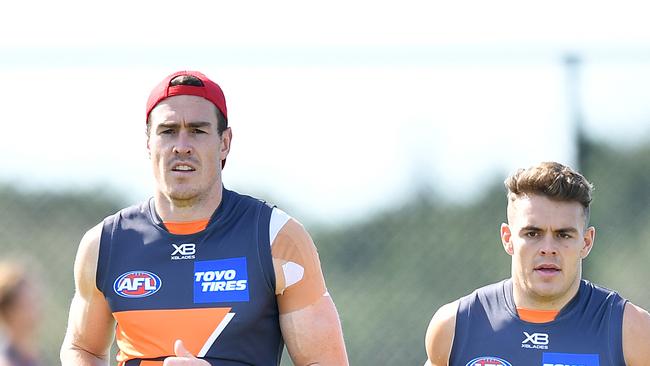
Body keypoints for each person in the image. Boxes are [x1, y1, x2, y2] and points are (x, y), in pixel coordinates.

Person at [60, 70, 349, 366]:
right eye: (168, 131)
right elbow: (82, 348)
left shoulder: (276, 237)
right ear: (149, 143)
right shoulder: (105, 243)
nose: (182, 145)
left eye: (197, 131)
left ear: (224, 143)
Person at [424, 161, 650, 366]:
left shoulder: (633, 332)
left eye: (564, 235)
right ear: (507, 238)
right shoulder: (455, 328)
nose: (548, 248)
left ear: (586, 242)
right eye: (533, 233)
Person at [0, 261, 42, 366]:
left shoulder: (31, 356)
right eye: (27, 304)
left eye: (34, 301)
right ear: (10, 311)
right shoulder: (5, 361)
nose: (35, 309)